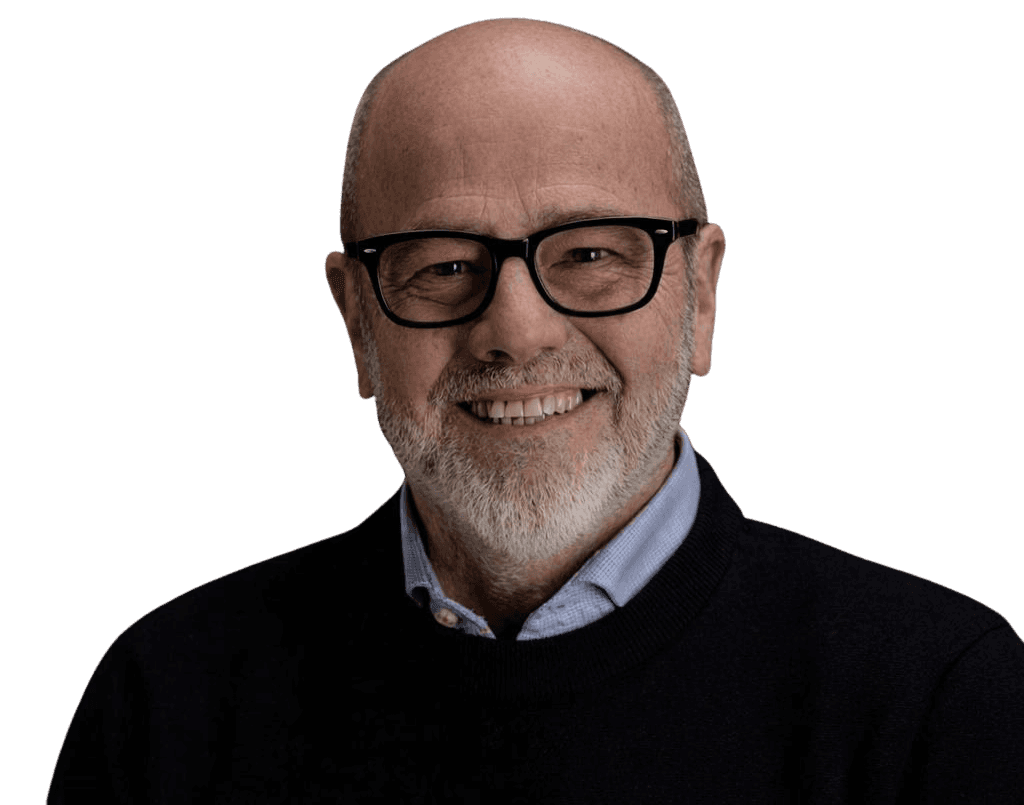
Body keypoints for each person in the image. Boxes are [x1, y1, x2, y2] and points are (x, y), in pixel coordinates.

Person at [49, 18, 1024, 803]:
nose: (515, 332)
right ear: (355, 321)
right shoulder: (167, 701)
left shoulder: (942, 700)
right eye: (443, 265)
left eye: (591, 253)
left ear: (701, 297)